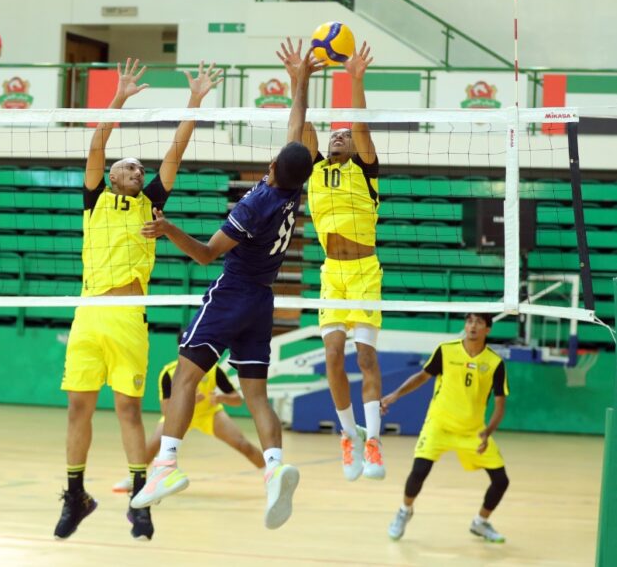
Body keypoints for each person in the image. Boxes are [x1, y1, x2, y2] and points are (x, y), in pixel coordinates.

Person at [130, 53, 319, 529]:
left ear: (273, 164)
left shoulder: (256, 203)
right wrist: (302, 81)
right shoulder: (294, 188)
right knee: (257, 395)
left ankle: (166, 467)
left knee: (186, 379)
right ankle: (275, 468)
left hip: (233, 290)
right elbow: (297, 131)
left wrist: (169, 228)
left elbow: (205, 255)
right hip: (263, 298)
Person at [54, 58, 222, 542]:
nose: (138, 169)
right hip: (89, 313)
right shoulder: (94, 198)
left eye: (140, 168)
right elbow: (97, 144)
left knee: (128, 410)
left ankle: (137, 498)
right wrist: (119, 97)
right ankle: (75, 495)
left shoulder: (151, 203)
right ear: (111, 177)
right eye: (129, 167)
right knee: (77, 408)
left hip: (128, 316)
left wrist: (195, 100)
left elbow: (175, 149)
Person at [277, 37, 385, 481]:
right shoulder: (314, 168)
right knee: (334, 357)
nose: (339, 136)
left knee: (365, 360)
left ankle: (374, 442)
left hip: (365, 273)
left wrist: (354, 79)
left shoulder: (365, 167)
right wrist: (299, 81)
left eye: (344, 134)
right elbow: (301, 126)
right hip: (332, 274)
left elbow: (359, 128)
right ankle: (349, 436)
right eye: (334, 133)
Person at [381, 313, 509, 543]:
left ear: (487, 329)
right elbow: (422, 377)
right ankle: (404, 511)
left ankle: (480, 523)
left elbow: (500, 404)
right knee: (419, 471)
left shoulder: (495, 363)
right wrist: (395, 395)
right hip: (439, 425)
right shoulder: (446, 350)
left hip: (473, 431)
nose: (473, 326)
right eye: (469, 321)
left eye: (479, 322)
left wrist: (487, 432)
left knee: (501, 480)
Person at [112, 358, 264, 493]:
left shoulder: (213, 370)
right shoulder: (169, 372)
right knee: (152, 445)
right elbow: (166, 410)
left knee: (243, 444)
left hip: (209, 415)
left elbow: (237, 400)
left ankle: (271, 476)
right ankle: (135, 479)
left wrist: (221, 398)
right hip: (178, 415)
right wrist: (189, 400)